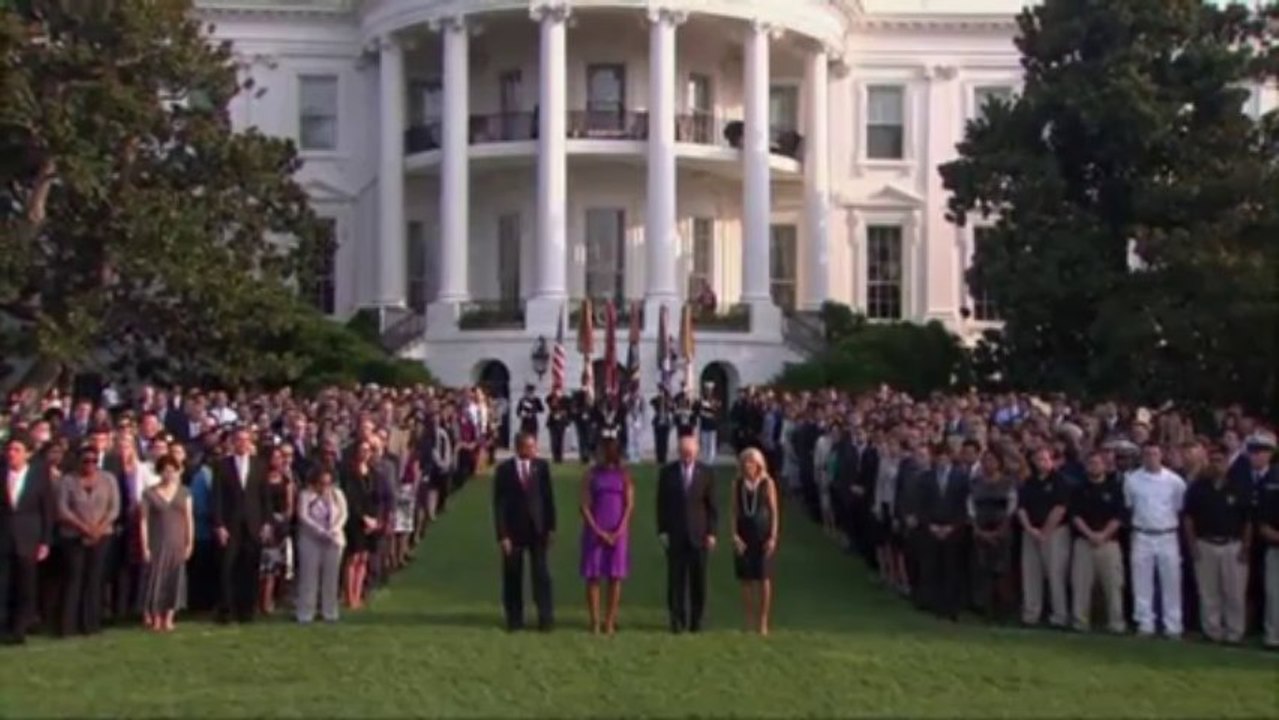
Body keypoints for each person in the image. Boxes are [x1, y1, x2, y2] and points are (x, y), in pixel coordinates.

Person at [1182, 443, 1252, 643]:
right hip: (1205, 544)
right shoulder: (1198, 487)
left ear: (1228, 462)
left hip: (1233, 545)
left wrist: (1246, 547)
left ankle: (1234, 633)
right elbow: (1188, 518)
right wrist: (1192, 545)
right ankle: (1212, 631)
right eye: (1212, 461)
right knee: (1208, 592)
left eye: (1220, 461)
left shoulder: (1238, 486)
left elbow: (1247, 520)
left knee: (1235, 593)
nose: (1216, 465)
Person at [493, 432, 556, 632]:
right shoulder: (504, 470)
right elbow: (499, 505)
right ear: (519, 448)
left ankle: (545, 618)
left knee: (541, 576)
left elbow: (548, 499)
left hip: (537, 530)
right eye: (529, 447)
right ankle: (514, 619)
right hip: (514, 531)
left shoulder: (541, 468)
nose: (533, 450)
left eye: (534, 447)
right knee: (512, 576)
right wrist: (502, 535)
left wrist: (551, 527)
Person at [1125, 441, 1187, 638]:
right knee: (1141, 582)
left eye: (1155, 454)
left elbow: (1178, 506)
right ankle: (1145, 623)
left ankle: (1173, 625)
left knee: (1172, 582)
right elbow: (1130, 505)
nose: (1151, 458)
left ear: (1161, 456)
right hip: (1142, 534)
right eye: (1147, 454)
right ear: (1142, 457)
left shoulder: (1175, 481)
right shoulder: (1132, 480)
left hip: (1167, 535)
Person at [656, 434, 718, 633]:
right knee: (676, 581)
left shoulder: (706, 473)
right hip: (675, 534)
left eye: (690, 452)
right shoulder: (668, 473)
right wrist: (662, 530)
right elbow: (661, 504)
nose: (687, 455)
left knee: (698, 581)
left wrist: (712, 533)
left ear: (696, 452)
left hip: (699, 535)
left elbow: (712, 506)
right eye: (683, 452)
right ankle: (676, 619)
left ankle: (696, 620)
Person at [56, 443, 118, 637]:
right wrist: (83, 527)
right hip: (73, 536)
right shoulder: (67, 481)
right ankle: (69, 625)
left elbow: (114, 507)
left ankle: (91, 623)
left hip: (102, 535)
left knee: (95, 578)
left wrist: (98, 528)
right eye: (86, 461)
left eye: (94, 460)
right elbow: (62, 509)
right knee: (74, 578)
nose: (90, 464)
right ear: (78, 462)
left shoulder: (108, 479)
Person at [212, 427, 269, 624]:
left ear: (250, 442)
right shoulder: (222, 465)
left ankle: (247, 611)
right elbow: (217, 497)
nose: (242, 444)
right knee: (227, 568)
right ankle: (227, 611)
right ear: (233, 443)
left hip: (253, 525)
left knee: (250, 568)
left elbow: (265, 497)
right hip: (230, 525)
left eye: (246, 440)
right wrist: (219, 525)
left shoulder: (260, 465)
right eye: (239, 440)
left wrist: (266, 523)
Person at [1, 434, 53, 645]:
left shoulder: (39, 476)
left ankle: (19, 629)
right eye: (9, 450)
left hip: (28, 539)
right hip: (3, 538)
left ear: (28, 454)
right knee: (3, 585)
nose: (11, 454)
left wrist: (45, 541)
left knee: (26, 586)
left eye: (17, 450)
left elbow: (47, 510)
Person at [1068, 450, 1126, 633]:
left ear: (1104, 466)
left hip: (1109, 543)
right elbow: (1075, 516)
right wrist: (1090, 534)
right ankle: (1080, 622)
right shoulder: (1078, 489)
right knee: (1081, 585)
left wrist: (1103, 535)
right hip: (1084, 542)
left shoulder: (1114, 488)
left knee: (1113, 585)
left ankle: (1116, 623)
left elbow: (1119, 516)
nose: (1094, 466)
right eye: (1090, 463)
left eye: (1097, 463)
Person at [579, 437, 633, 634]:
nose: (598, 455)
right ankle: (594, 620)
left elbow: (629, 505)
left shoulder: (623, 475)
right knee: (593, 576)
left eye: (601, 451)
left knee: (615, 576)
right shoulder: (591, 475)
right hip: (595, 530)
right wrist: (597, 530)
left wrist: (619, 530)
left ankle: (610, 621)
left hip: (618, 531)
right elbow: (584, 505)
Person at [138, 454, 192, 632]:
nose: (169, 474)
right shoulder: (149, 493)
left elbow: (188, 519)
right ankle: (156, 617)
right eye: (165, 471)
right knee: (156, 579)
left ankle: (169, 617)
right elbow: (144, 521)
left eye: (172, 471)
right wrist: (145, 546)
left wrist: (189, 543)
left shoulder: (184, 492)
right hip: (157, 541)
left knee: (174, 579)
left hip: (177, 541)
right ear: (159, 472)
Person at [1017, 447, 1070, 627]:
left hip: (1054, 533)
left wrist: (1045, 532)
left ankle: (1059, 616)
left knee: (1055, 574)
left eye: (1045, 459)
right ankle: (1031, 614)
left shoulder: (1059, 481)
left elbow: (1060, 508)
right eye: (1038, 459)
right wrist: (1030, 529)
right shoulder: (1029, 482)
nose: (1042, 463)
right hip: (1031, 531)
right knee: (1031, 574)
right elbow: (1021, 507)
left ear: (1052, 461)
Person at [731, 447, 779, 635]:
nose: (748, 466)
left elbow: (774, 512)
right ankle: (748, 619)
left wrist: (773, 536)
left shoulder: (767, 483)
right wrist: (734, 535)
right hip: (744, 534)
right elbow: (734, 511)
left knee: (764, 577)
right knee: (746, 578)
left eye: (751, 462)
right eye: (745, 463)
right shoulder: (738, 484)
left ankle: (763, 620)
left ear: (759, 464)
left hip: (763, 534)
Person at [968, 451, 1017, 621]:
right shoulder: (975, 483)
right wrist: (977, 529)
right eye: (985, 461)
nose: (988, 464)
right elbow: (970, 507)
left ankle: (1003, 607)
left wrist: (1001, 530)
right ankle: (982, 606)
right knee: (981, 569)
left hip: (1002, 531)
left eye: (992, 460)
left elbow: (1012, 508)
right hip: (980, 530)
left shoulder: (1008, 483)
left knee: (1001, 569)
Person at [296, 467, 347, 624]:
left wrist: (334, 529)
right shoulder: (306, 495)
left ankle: (330, 612)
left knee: (331, 577)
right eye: (321, 483)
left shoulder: (336, 494)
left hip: (333, 539)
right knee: (309, 577)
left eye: (328, 483)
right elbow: (303, 516)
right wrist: (319, 530)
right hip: (310, 539)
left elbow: (344, 514)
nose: (325, 486)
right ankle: (306, 612)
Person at [342, 439, 380, 611]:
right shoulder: (349, 473)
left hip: (370, 519)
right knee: (353, 557)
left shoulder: (372, 472)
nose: (365, 453)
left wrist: (374, 518)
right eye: (362, 449)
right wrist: (363, 517)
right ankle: (349, 597)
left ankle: (358, 595)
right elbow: (351, 498)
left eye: (368, 450)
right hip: (355, 520)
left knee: (364, 557)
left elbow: (375, 497)